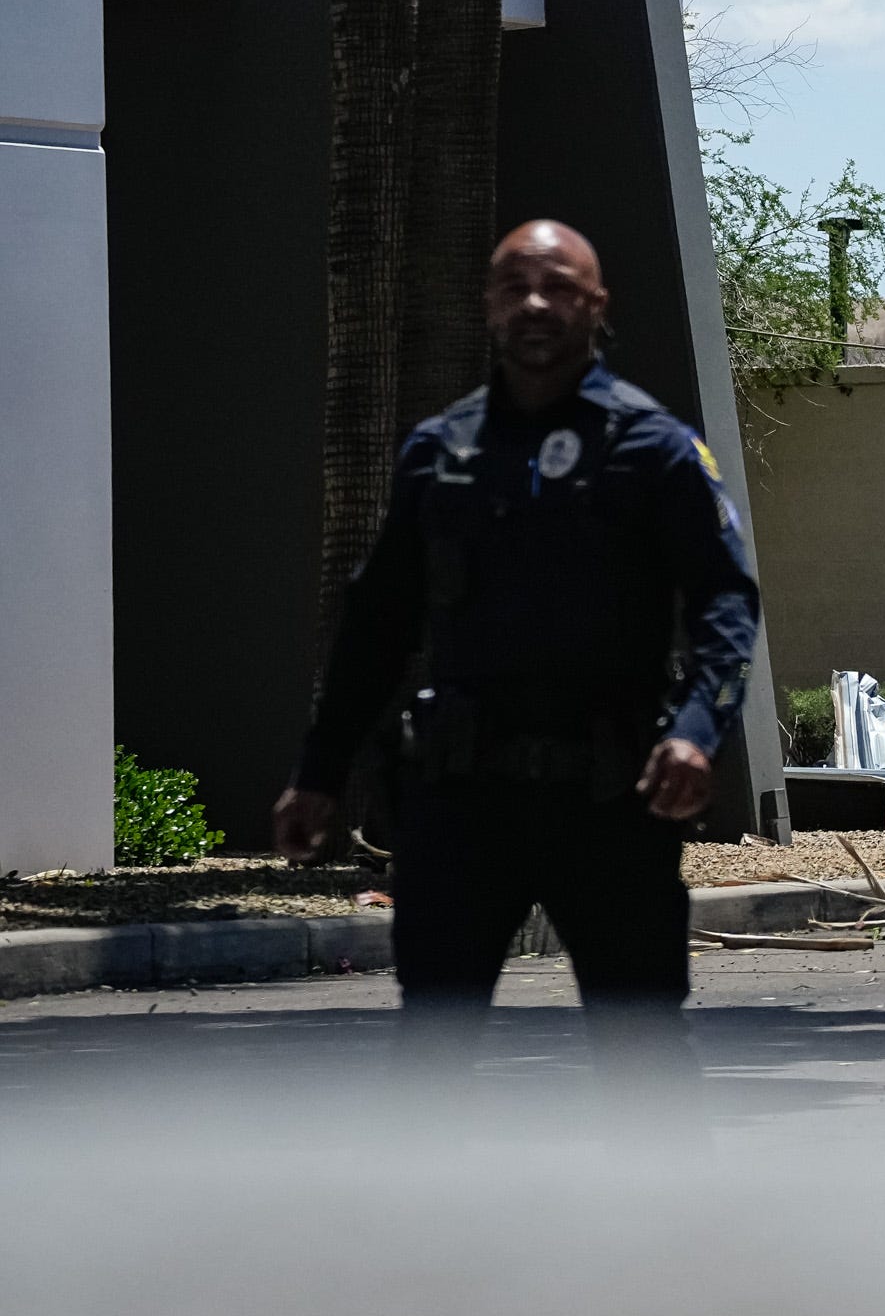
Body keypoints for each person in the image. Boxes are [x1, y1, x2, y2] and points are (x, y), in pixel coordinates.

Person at [274, 220, 759, 1072]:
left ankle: (673, 1212)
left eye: (560, 287)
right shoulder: (441, 451)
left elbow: (726, 599)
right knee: (433, 1041)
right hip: (462, 800)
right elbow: (377, 623)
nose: (536, 304)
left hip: (611, 797)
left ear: (596, 304)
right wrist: (319, 773)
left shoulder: (654, 448)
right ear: (489, 304)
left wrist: (697, 730)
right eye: (515, 287)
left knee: (642, 1045)